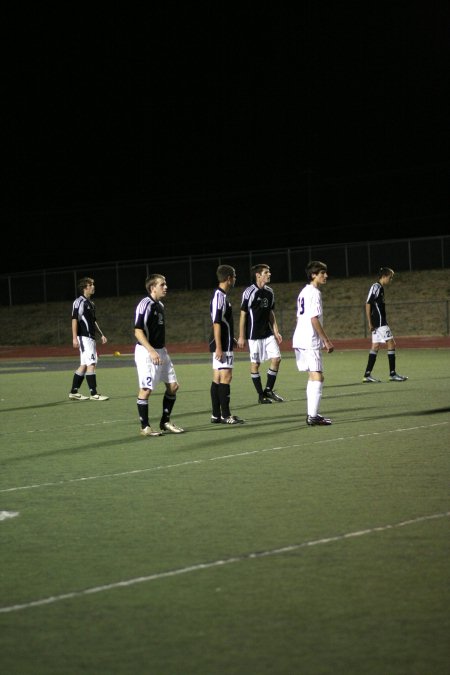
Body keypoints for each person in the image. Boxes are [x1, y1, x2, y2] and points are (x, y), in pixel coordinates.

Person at [134, 274, 184, 437]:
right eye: (162, 284)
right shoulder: (145, 304)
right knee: (146, 389)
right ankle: (145, 427)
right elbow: (138, 331)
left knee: (173, 386)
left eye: (165, 284)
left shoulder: (160, 305)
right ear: (152, 287)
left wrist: (159, 350)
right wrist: (151, 351)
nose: (165, 287)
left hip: (161, 351)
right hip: (146, 351)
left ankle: (165, 421)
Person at [292, 260, 334, 426]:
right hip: (309, 340)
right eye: (322, 273)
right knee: (318, 376)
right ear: (313, 275)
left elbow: (299, 316)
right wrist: (326, 340)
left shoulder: (303, 291)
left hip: (299, 339)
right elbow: (313, 318)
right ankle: (313, 416)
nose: (325, 276)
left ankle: (311, 414)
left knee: (312, 376)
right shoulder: (314, 293)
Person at [237, 263, 284, 404]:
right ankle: (260, 395)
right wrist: (241, 336)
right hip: (254, 335)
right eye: (266, 272)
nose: (269, 274)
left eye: (269, 272)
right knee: (255, 364)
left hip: (268, 333)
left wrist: (276, 331)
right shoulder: (249, 292)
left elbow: (271, 312)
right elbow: (243, 315)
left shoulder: (270, 292)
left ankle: (268, 390)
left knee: (276, 358)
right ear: (258, 275)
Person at [209, 264, 244, 425]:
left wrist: (232, 338)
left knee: (217, 377)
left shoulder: (221, 296)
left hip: (224, 341)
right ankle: (226, 415)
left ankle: (216, 415)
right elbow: (216, 323)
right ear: (229, 278)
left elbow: (222, 323)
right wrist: (219, 346)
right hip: (222, 344)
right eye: (234, 276)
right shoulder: (220, 296)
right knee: (226, 377)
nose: (235, 278)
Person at [362, 267, 408, 382]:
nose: (390, 280)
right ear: (384, 276)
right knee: (391, 344)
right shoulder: (376, 287)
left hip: (378, 322)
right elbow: (368, 303)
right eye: (390, 277)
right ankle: (392, 374)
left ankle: (367, 375)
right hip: (380, 322)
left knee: (375, 346)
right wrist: (369, 322)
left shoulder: (380, 288)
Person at [69, 277, 109, 401]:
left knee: (84, 365)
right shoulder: (78, 302)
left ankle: (74, 392)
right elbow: (74, 319)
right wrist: (74, 338)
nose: (93, 287)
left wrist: (101, 334)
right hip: (84, 338)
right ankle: (94, 393)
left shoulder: (91, 303)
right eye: (91, 285)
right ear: (85, 287)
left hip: (90, 338)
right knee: (91, 363)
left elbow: (93, 321)